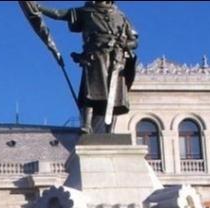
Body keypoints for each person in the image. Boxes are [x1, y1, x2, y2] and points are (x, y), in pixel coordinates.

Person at [39, 1, 138, 134]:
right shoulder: (87, 12)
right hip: (95, 57)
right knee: (90, 91)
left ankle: (109, 130)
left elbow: (134, 41)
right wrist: (39, 8)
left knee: (114, 97)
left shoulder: (121, 16)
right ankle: (86, 125)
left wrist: (126, 44)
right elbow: (60, 14)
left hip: (116, 60)